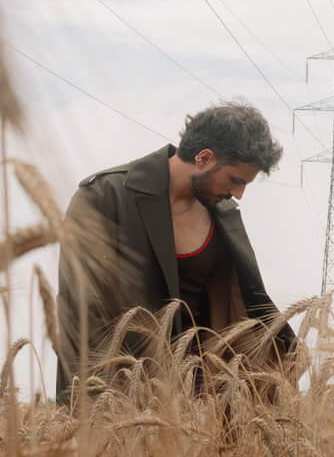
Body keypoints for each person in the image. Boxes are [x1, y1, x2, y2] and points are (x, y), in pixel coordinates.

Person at [54, 101, 296, 402]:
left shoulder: (224, 214)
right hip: (128, 398)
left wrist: (285, 346)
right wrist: (103, 405)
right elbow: (79, 313)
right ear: (204, 158)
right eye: (236, 180)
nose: (239, 193)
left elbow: (247, 296)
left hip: (208, 403)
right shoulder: (105, 198)